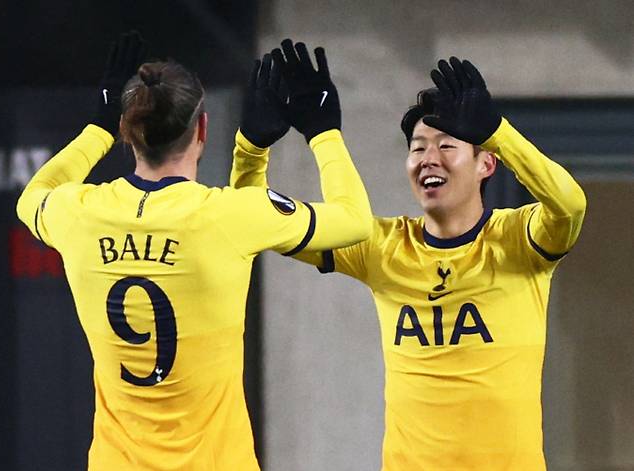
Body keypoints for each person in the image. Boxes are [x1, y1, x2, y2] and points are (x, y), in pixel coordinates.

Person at [16, 32, 371, 470]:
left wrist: (99, 126)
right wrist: (318, 133)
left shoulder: (78, 213)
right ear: (202, 129)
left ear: (129, 131)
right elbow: (354, 219)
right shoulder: (225, 216)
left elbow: (33, 195)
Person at [231, 54, 587, 470]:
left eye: (446, 146)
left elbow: (570, 204)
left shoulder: (520, 238)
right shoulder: (381, 246)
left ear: (485, 164)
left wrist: (499, 134)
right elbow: (254, 220)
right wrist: (251, 149)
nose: (428, 158)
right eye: (418, 148)